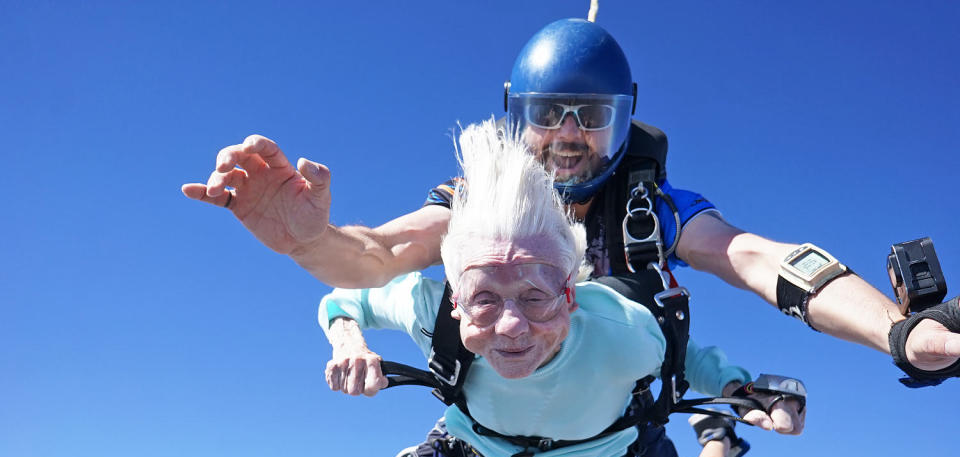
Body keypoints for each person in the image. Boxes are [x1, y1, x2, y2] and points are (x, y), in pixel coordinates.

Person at [181, 18, 960, 390]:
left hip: (608, 431)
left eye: (593, 117)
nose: (567, 138)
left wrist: (898, 331)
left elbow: (762, 259)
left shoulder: (647, 208)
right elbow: (380, 255)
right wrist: (307, 243)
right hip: (492, 417)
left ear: (626, 120)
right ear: (513, 117)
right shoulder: (477, 201)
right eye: (547, 114)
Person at [319, 119, 792, 457]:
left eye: (535, 296)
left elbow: (685, 354)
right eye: (483, 299)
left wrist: (738, 392)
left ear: (572, 295)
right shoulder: (429, 311)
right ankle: (431, 449)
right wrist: (350, 342)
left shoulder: (622, 327)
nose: (512, 327)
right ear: (454, 300)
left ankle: (717, 442)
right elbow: (342, 298)